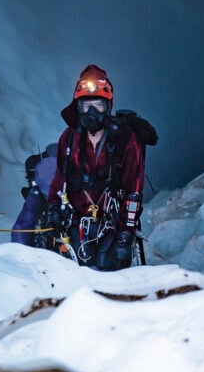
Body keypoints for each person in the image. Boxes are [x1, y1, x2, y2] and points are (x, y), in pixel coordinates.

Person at [12, 64, 156, 270]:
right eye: (85, 106)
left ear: (108, 106)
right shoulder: (69, 139)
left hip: (111, 222)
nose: (91, 112)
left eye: (97, 105)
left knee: (109, 272)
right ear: (77, 107)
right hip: (76, 220)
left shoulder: (126, 141)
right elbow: (60, 178)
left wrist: (125, 234)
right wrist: (54, 208)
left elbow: (133, 193)